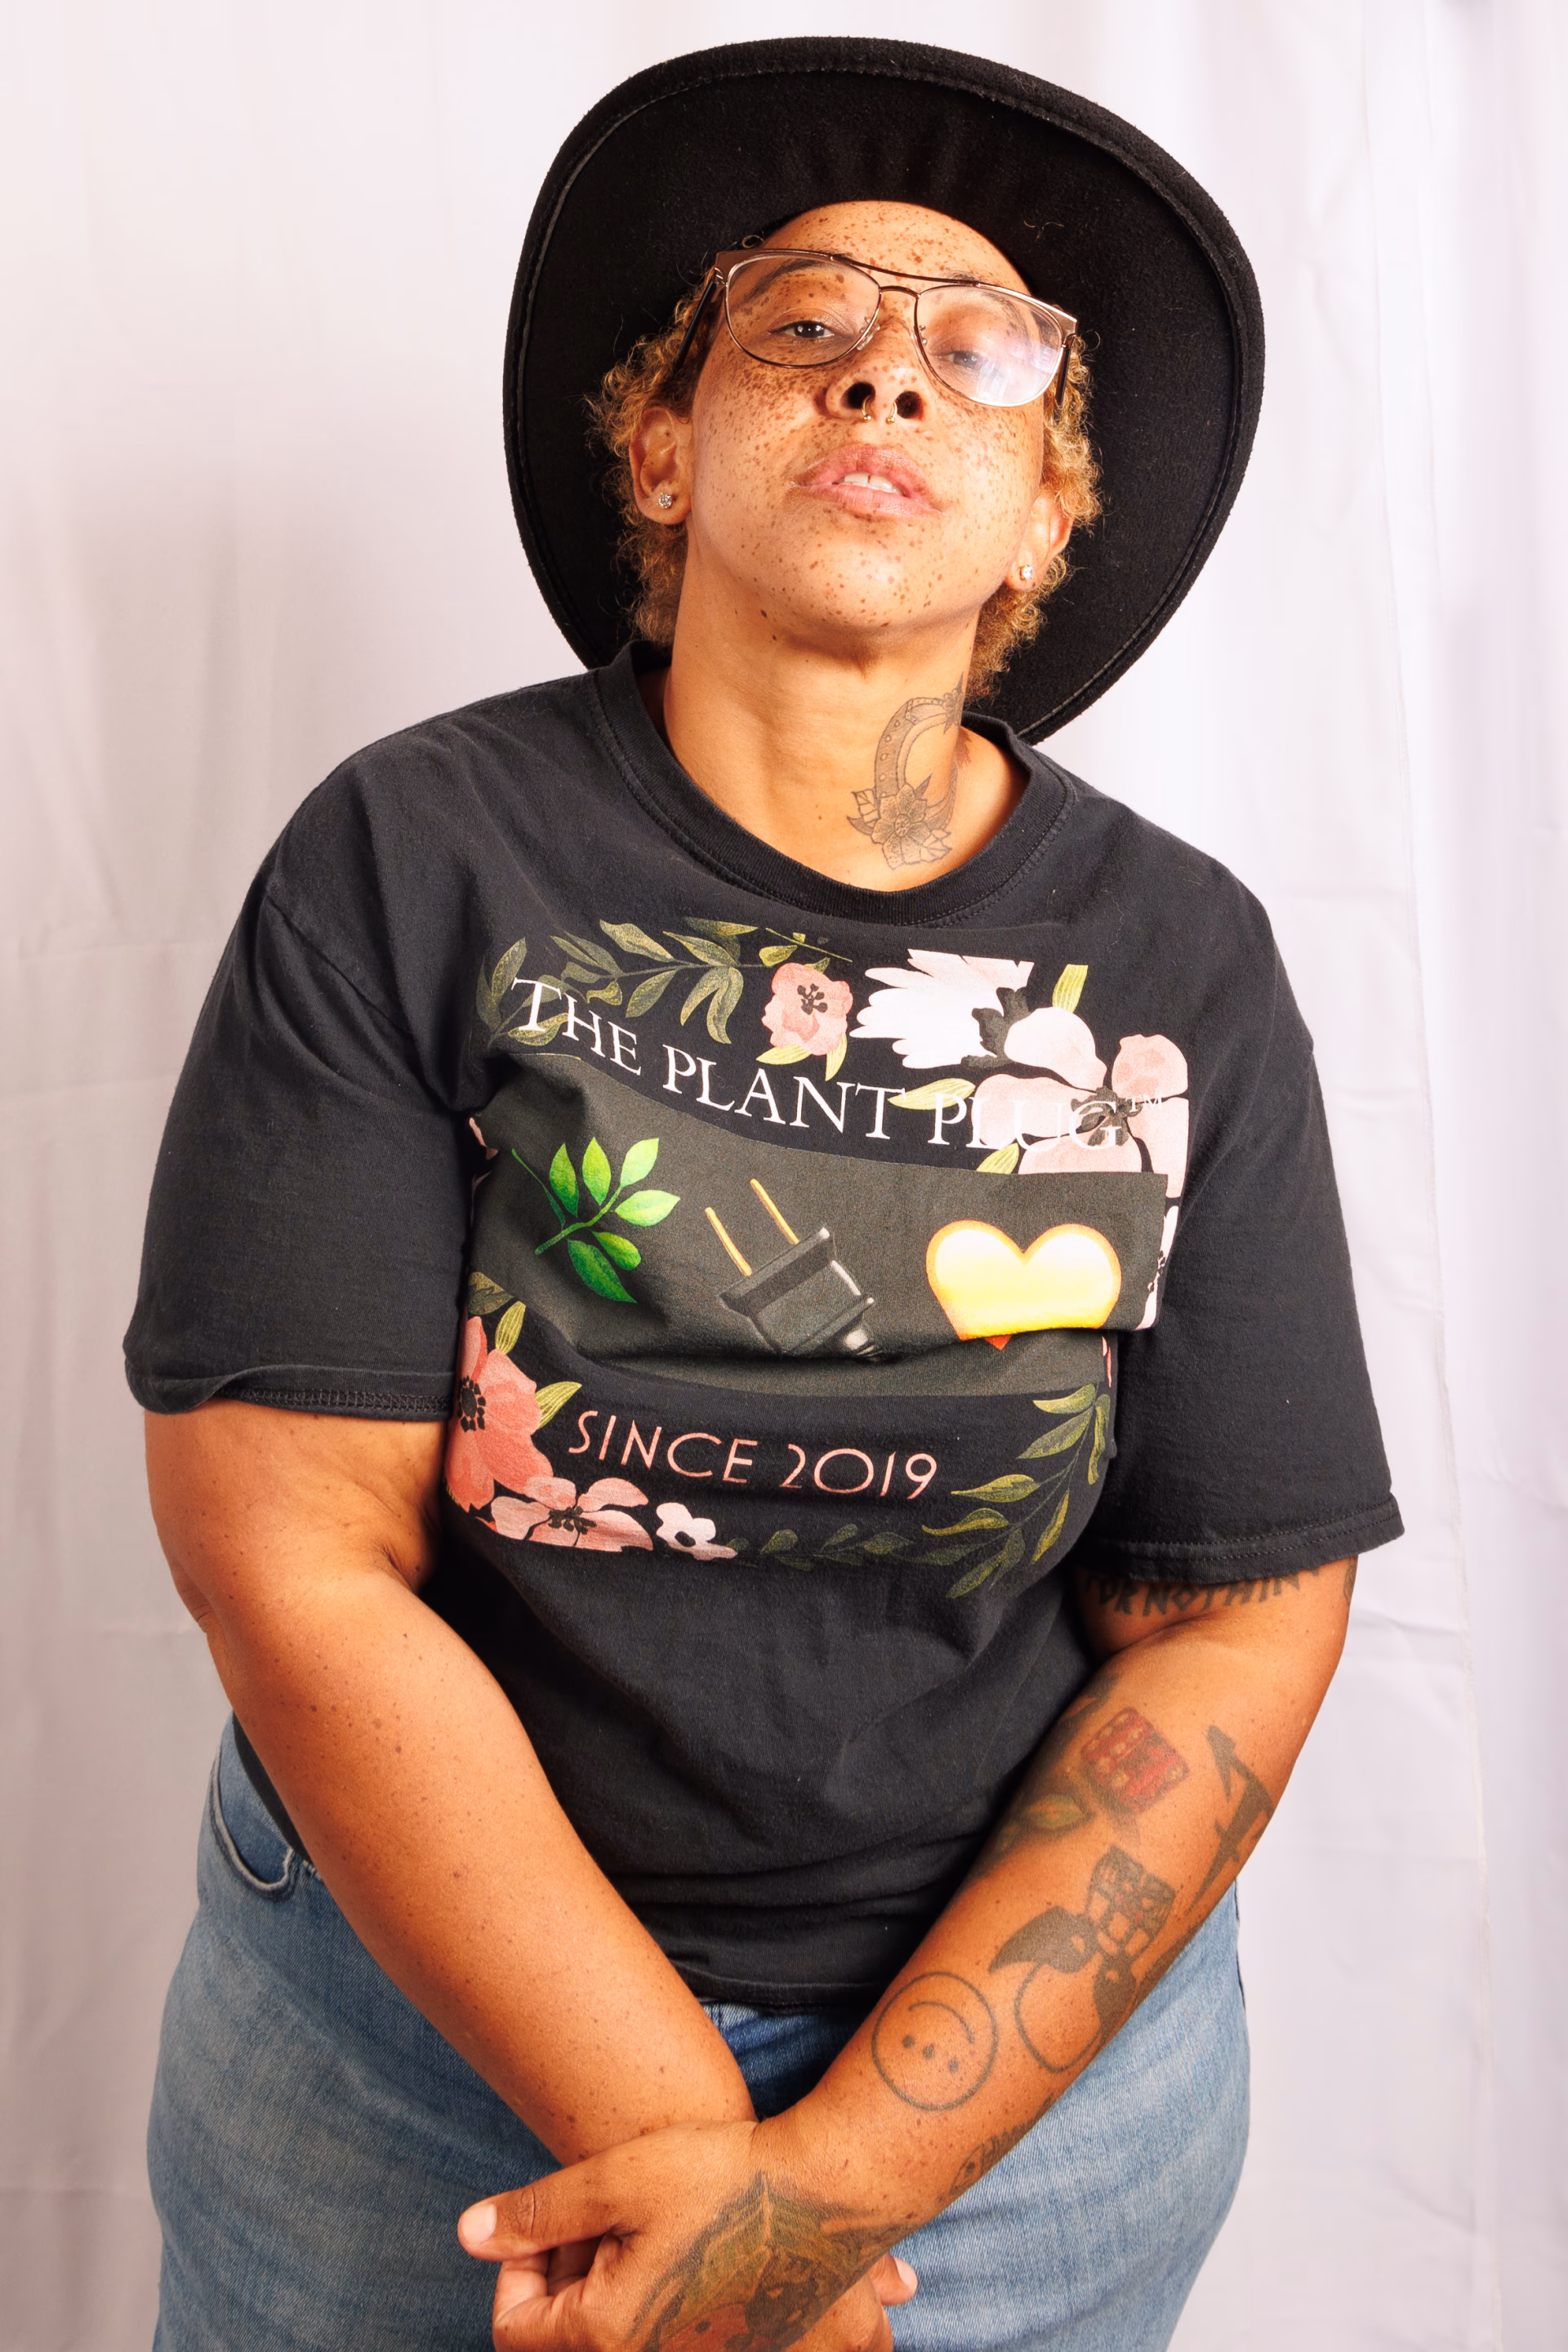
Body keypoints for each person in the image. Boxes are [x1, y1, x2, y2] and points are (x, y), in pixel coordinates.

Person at [126, 38, 1401, 2352]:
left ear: (1045, 514)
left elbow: (1234, 1614)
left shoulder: (1182, 961)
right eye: (802, 325)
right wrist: (709, 2187)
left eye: (978, 352)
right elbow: (293, 1557)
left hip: (1016, 2142)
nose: (884, 376)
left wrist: (834, 2193)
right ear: (660, 448)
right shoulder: (415, 855)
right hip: (411, 2072)